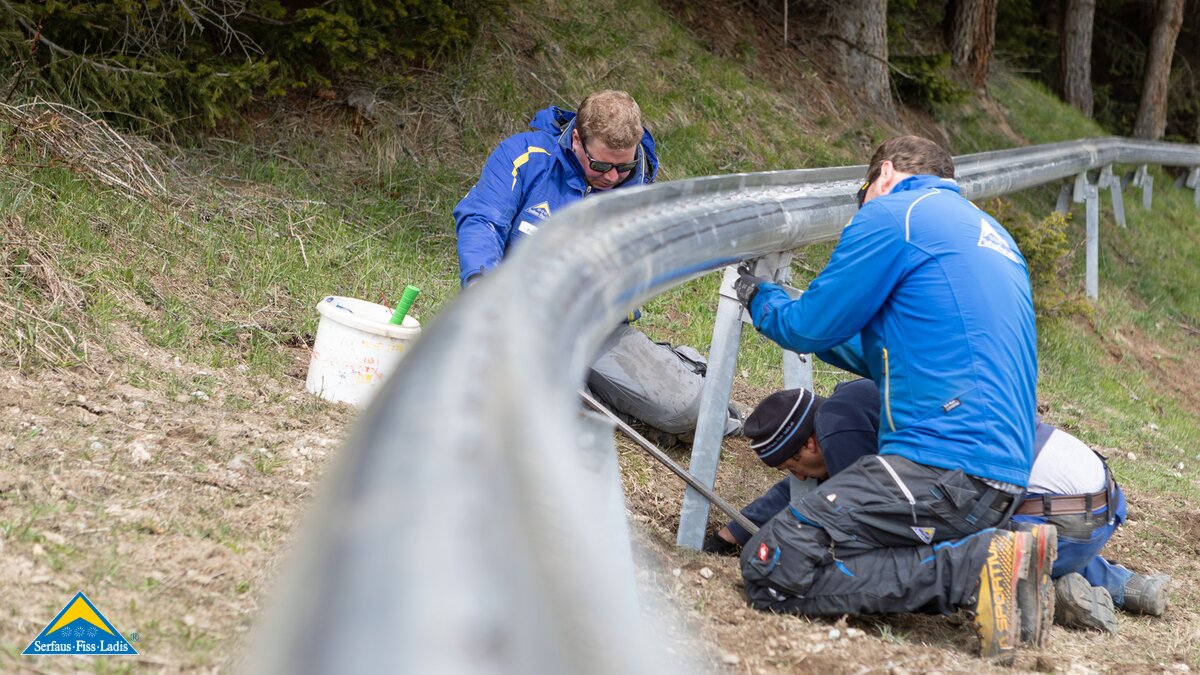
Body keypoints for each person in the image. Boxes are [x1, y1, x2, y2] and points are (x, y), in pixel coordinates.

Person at [730, 135, 1048, 658]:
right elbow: (893, 354)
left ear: (883, 175)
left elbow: (808, 325)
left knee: (771, 563)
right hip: (1002, 479)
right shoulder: (989, 234)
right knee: (847, 545)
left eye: (862, 196)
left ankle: (973, 569)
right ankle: (1000, 577)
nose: (862, 208)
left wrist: (761, 298)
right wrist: (817, 329)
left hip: (941, 466)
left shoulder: (895, 213)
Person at [705, 380, 1170, 634]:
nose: (802, 479)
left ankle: (1057, 587)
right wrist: (734, 532)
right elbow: (797, 494)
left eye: (794, 465)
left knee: (944, 528)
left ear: (809, 441)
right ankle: (1122, 584)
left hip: (1053, 514)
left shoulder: (838, 428)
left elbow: (851, 516)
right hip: (1093, 497)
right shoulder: (862, 400)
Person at [453, 90, 738, 441]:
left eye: (624, 167)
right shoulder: (524, 156)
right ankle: (582, 400)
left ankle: (668, 371)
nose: (613, 177)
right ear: (577, 139)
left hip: (594, 328)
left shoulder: (639, 196)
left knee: (692, 414)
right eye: (601, 166)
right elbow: (482, 221)